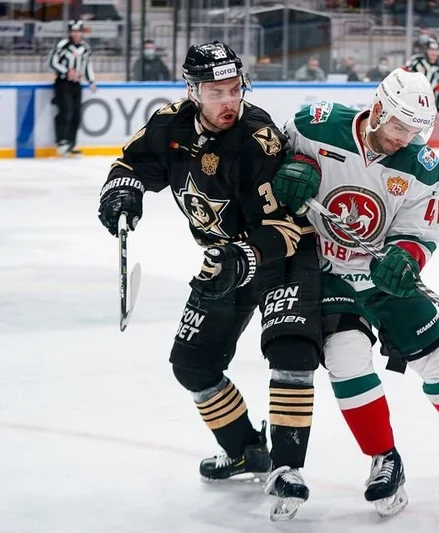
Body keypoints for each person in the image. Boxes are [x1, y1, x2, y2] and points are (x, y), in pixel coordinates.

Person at [271, 69, 439, 518]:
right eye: (399, 127)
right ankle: (385, 459)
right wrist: (293, 170)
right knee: (347, 358)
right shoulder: (315, 125)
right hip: (328, 274)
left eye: (415, 131)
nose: (405, 139)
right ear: (378, 109)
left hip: (385, 276)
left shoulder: (422, 166)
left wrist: (406, 258)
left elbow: (419, 233)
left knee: (438, 358)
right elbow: (273, 159)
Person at [96, 41, 322, 521]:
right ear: (193, 91)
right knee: (192, 364)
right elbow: (132, 164)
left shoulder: (257, 138)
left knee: (291, 352)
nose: (229, 101)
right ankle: (245, 450)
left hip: (283, 255)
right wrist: (122, 194)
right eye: (216, 92)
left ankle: (287, 467)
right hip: (223, 260)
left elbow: (284, 226)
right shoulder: (170, 125)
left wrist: (242, 256)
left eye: (235, 89)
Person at [47, 19, 97, 157]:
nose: (76, 34)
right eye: (73, 31)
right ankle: (61, 141)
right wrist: (66, 71)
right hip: (63, 83)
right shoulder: (63, 45)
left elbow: (87, 65)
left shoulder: (85, 48)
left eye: (78, 31)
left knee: (76, 114)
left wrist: (91, 81)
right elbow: (52, 62)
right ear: (69, 32)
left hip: (76, 84)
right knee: (66, 111)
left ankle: (71, 143)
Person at [404, 39, 439, 113]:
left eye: (436, 50)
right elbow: (402, 73)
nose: (434, 53)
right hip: (408, 101)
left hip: (425, 107)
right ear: (426, 50)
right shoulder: (416, 60)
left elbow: (438, 90)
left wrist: (437, 109)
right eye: (431, 50)